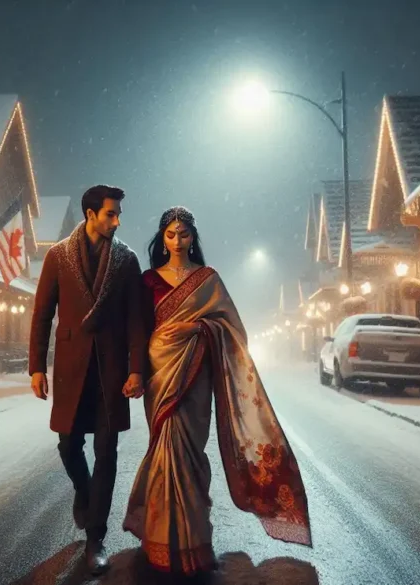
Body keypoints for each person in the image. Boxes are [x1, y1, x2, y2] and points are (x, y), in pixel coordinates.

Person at [123, 206, 312, 578]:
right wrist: (136, 372)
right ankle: (159, 540)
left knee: (190, 456)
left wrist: (202, 331)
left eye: (184, 234)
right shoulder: (148, 282)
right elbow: (138, 330)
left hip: (196, 375)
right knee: (164, 451)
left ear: (194, 237)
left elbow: (233, 329)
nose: (178, 241)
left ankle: (193, 542)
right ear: (162, 238)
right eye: (171, 234)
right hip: (161, 374)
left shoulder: (208, 279)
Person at [28, 185, 148, 575]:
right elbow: (42, 314)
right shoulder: (58, 255)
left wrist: (136, 369)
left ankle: (95, 538)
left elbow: (135, 320)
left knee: (107, 455)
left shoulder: (127, 260)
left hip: (111, 370)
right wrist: (35, 367)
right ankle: (85, 489)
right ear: (90, 213)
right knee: (68, 445)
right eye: (110, 214)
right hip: (70, 367)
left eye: (118, 214)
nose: (116, 221)